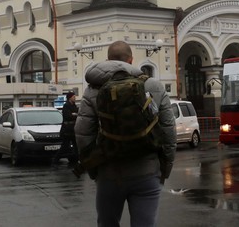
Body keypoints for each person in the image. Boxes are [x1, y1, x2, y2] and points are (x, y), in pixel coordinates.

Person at [75, 40, 176, 227]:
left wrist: (94, 169)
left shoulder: (92, 90)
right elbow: (168, 129)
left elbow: (83, 135)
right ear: (130, 60)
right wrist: (166, 166)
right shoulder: (153, 85)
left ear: (108, 60)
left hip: (109, 173)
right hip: (147, 171)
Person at [53, 91, 79, 165]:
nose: (75, 98)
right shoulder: (66, 106)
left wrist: (74, 114)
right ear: (70, 98)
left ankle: (76, 160)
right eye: (74, 97)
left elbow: (77, 113)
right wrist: (74, 115)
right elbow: (68, 116)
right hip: (67, 130)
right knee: (65, 146)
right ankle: (55, 160)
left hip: (73, 129)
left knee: (76, 146)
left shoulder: (74, 105)